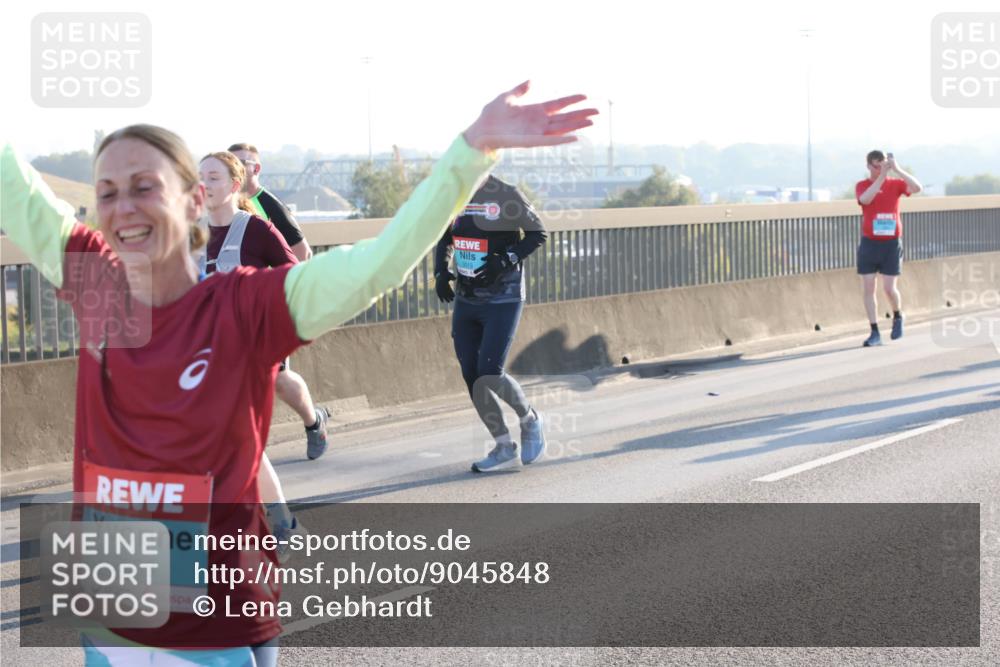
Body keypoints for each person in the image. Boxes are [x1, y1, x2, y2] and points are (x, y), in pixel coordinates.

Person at [0, 80, 596, 665]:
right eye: (106, 191)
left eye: (143, 187)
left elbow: (378, 263)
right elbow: (14, 186)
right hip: (113, 613)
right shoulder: (95, 282)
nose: (122, 206)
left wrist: (472, 150)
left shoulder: (245, 306)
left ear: (191, 200)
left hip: (217, 620)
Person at [199, 150, 310, 556]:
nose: (204, 185)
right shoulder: (190, 234)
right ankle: (273, 523)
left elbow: (294, 277)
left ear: (232, 184)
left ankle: (269, 524)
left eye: (212, 177)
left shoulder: (257, 230)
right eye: (200, 177)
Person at [225, 143, 332, 459]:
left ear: (256, 169)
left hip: (268, 308)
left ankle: (314, 422)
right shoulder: (222, 205)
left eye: (244, 163)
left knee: (279, 380)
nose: (238, 167)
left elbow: (302, 254)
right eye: (233, 162)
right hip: (231, 309)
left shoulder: (267, 205)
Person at [434, 175, 547, 472]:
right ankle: (503, 446)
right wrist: (440, 272)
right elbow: (445, 238)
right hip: (466, 297)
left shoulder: (506, 193)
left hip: (503, 298)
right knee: (472, 376)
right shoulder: (454, 192)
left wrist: (506, 258)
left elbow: (538, 234)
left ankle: (530, 420)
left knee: (490, 372)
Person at [855, 150, 922, 347]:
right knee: (868, 286)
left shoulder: (895, 184)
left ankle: (898, 316)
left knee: (889, 288)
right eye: (876, 166)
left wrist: (897, 169)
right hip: (870, 242)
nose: (880, 169)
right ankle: (874, 331)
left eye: (882, 164)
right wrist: (881, 176)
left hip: (891, 243)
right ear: (868, 166)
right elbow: (865, 200)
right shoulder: (862, 185)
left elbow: (917, 188)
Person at [227, 142, 311, 261]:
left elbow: (303, 255)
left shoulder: (272, 207)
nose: (233, 169)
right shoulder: (225, 205)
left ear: (256, 169)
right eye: (228, 164)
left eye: (240, 163)